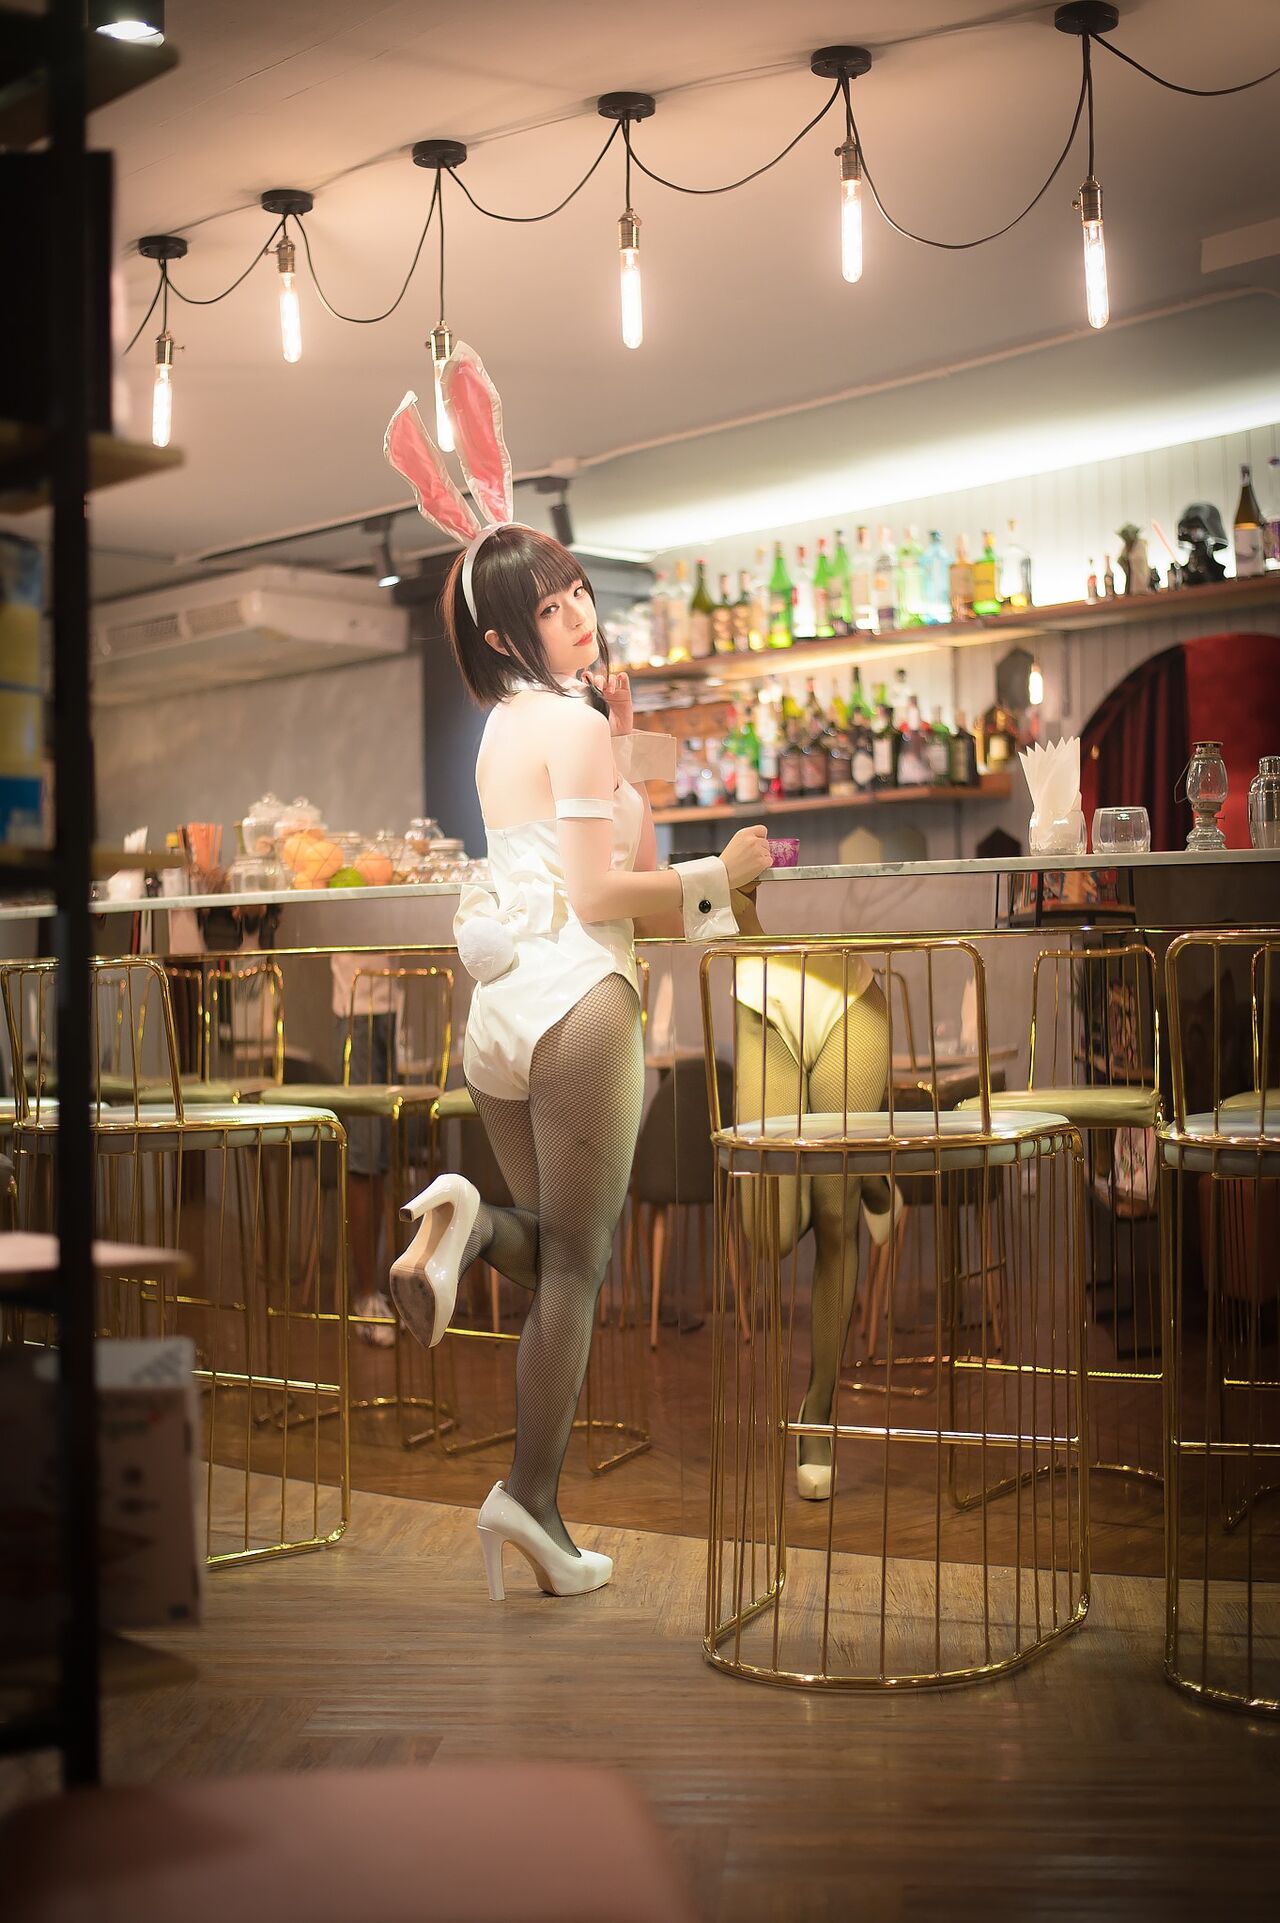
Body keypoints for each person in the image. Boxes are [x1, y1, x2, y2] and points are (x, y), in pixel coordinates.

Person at [381, 350, 771, 1599]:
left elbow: (594, 853)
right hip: (578, 1007)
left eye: (577, 592)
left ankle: (462, 1225)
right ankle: (530, 1499)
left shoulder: (504, 727)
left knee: (554, 1250)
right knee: (578, 1270)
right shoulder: (573, 721)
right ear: (507, 632)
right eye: (553, 608)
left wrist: (627, 746)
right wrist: (724, 876)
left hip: (498, 1017)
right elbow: (606, 897)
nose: (580, 613)